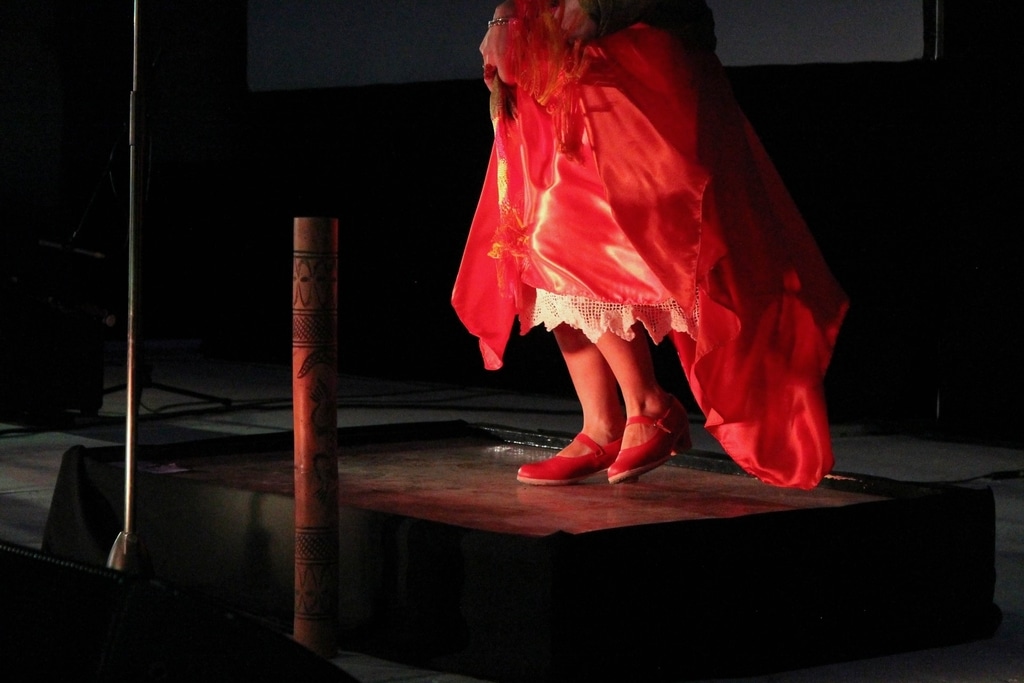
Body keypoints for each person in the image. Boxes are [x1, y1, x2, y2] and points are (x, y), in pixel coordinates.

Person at [452, 0, 849, 489]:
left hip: (629, 61)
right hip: (555, 62)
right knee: (536, 243)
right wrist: (505, 17)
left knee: (575, 240)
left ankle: (648, 408)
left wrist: (594, 8)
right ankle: (602, 423)